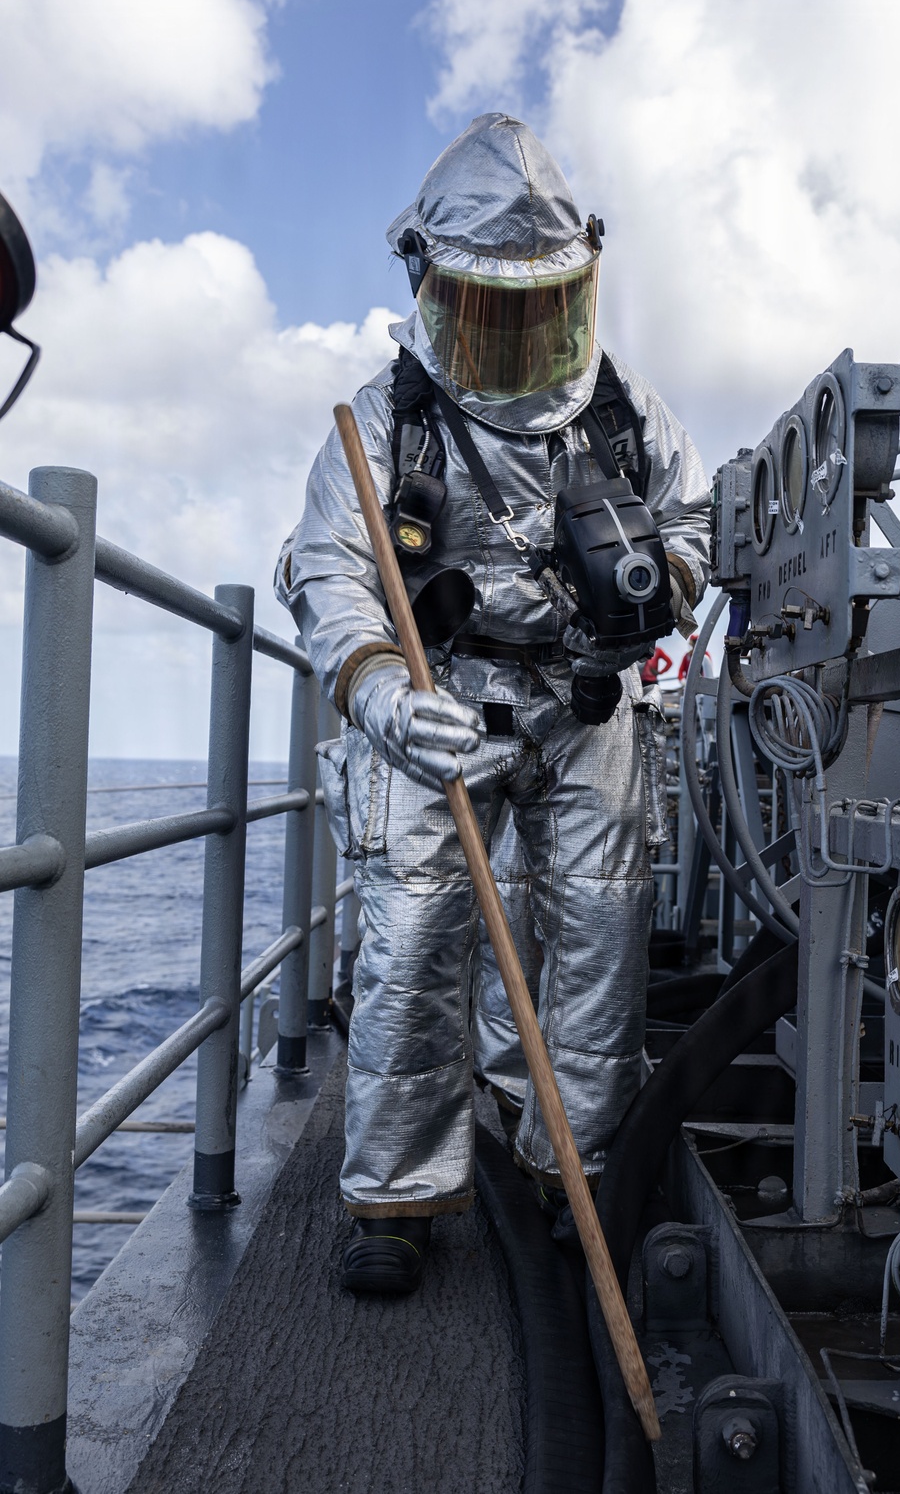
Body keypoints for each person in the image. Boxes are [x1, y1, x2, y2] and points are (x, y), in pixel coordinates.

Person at [277, 113, 711, 1293]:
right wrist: (377, 689)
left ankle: (574, 1166)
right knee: (413, 941)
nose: (515, 337)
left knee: (599, 937)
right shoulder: (384, 421)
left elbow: (689, 525)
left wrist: (654, 592)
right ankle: (394, 1194)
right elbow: (329, 571)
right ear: (432, 287)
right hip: (439, 695)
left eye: (535, 308)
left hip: (583, 697)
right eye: (489, 309)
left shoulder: (622, 410)